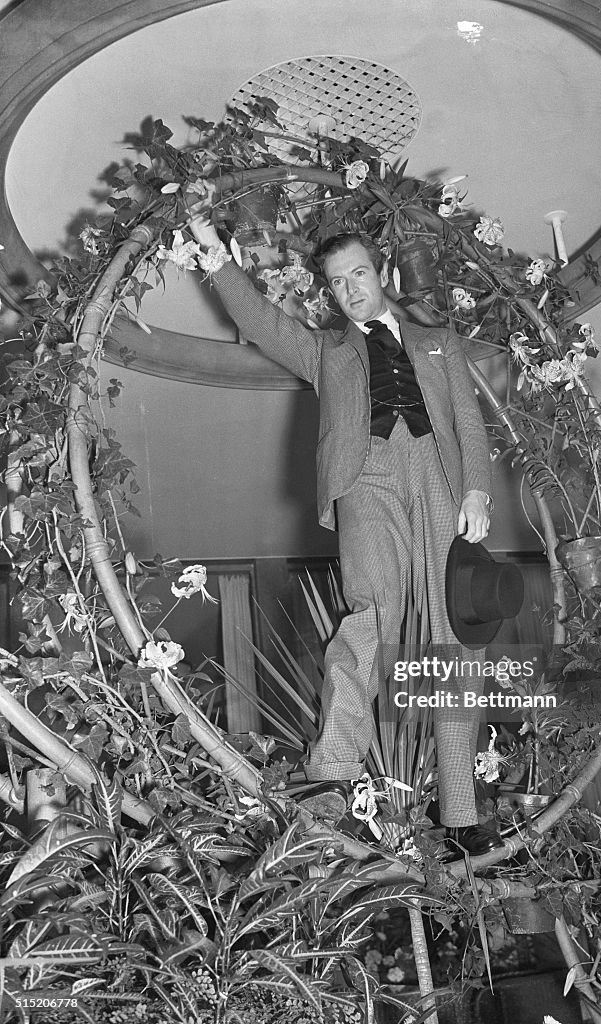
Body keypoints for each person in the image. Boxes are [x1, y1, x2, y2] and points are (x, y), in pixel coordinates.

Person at [189, 214, 503, 857]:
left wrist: (477, 487)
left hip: (440, 477)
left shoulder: (439, 341)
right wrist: (218, 258)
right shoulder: (326, 349)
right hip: (366, 476)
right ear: (329, 294)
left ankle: (461, 810)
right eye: (337, 283)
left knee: (455, 637)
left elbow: (469, 421)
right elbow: (262, 322)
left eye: (359, 273)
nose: (350, 288)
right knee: (371, 614)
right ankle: (332, 772)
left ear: (382, 274)